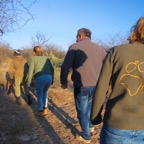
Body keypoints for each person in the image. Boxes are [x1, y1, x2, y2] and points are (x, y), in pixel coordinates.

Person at [90, 17, 144, 144]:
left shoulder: (116, 51)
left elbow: (102, 87)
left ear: (136, 30)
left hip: (117, 124)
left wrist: (95, 117)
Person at [60, 28, 106, 143]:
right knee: (90, 106)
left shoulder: (74, 47)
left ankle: (86, 136)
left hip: (82, 85)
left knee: (82, 111)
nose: (76, 39)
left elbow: (65, 66)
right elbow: (107, 66)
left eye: (76, 37)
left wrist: (63, 81)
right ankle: (90, 127)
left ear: (80, 36)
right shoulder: (100, 49)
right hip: (97, 86)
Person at [27, 46, 54, 117]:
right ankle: (45, 109)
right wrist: (52, 79)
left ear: (34, 52)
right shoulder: (46, 58)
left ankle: (40, 111)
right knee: (45, 93)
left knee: (39, 95)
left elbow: (30, 70)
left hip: (40, 77)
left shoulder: (33, 58)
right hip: (49, 77)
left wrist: (29, 81)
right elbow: (52, 69)